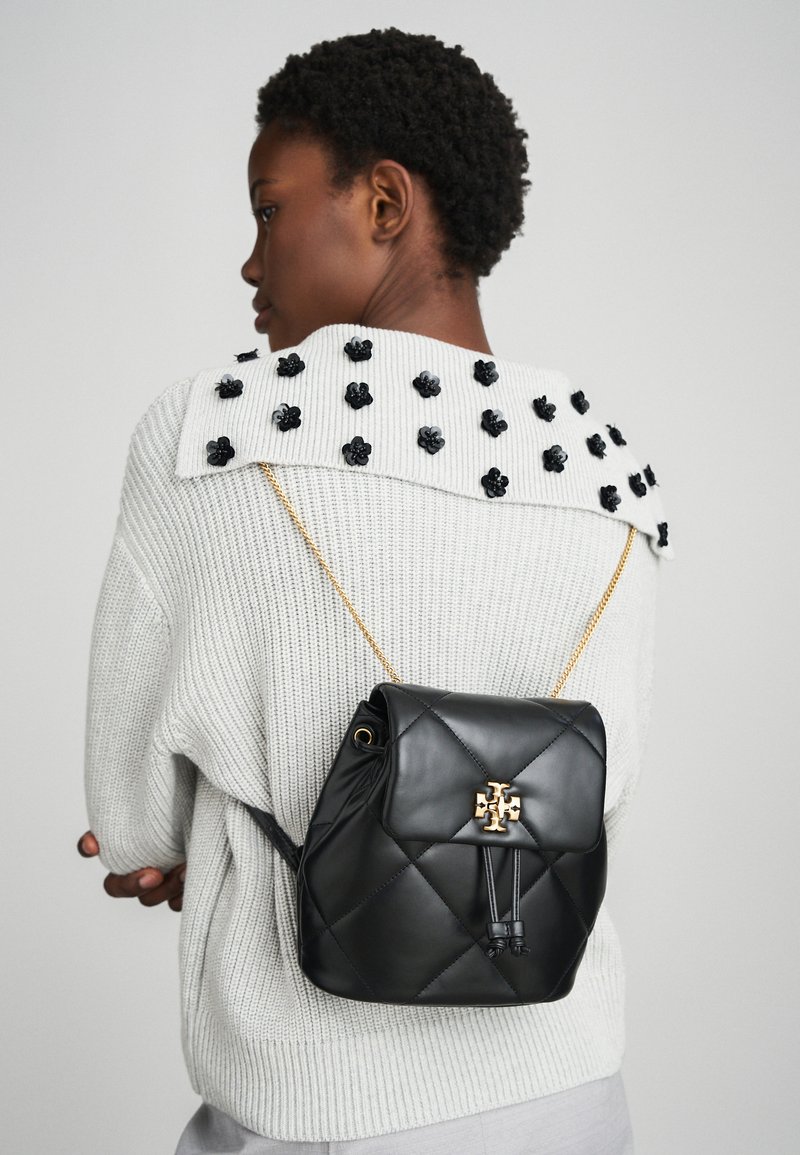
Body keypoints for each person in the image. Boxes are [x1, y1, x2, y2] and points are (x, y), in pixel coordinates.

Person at [79, 27, 673, 1155]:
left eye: (268, 210)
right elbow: (597, 789)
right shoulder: (613, 472)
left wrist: (169, 839)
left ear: (386, 202)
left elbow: (132, 822)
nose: (250, 262)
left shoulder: (210, 436)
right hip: (569, 1085)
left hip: (320, 1103)